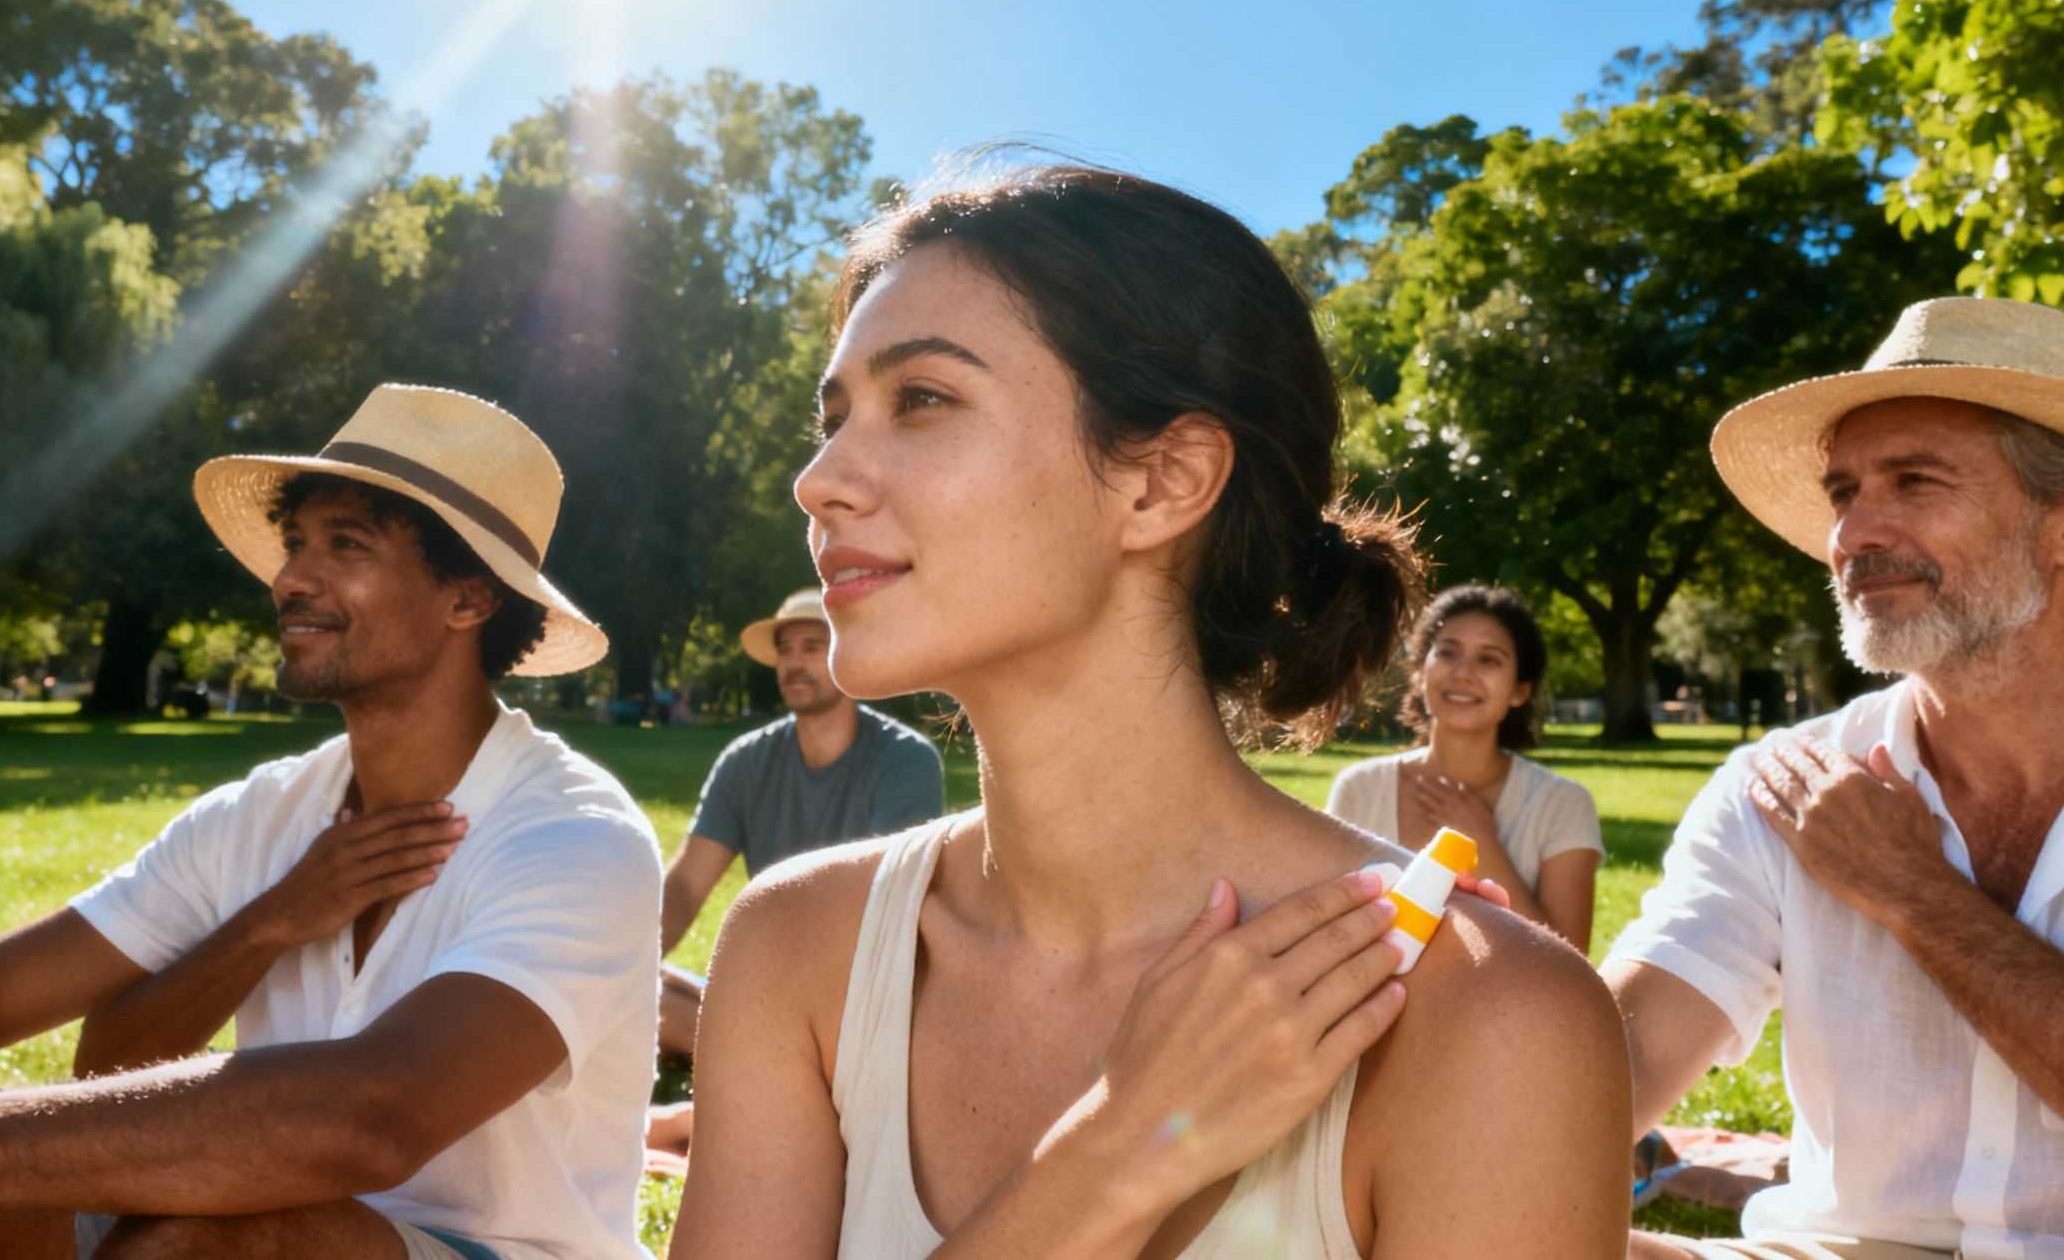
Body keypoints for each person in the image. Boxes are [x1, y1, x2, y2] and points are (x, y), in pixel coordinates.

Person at [669, 165, 1631, 1258]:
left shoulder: (1492, 1019)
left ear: (1164, 482)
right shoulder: (797, 948)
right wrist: (1118, 1152)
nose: (817, 480)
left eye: (922, 399)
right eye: (833, 418)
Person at [0, 384, 664, 1260]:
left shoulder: (572, 835)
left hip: (464, 1249)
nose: (290, 577)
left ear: (467, 599)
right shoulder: (264, 812)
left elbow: (371, 1117)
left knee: (209, 1237)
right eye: (295, 543)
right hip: (229, 1214)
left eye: (344, 544)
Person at [1608, 298, 2064, 1259]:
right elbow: (1618, 1059)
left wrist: (1917, 896)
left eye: (1915, 481)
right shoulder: (1785, 784)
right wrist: (1489, 991)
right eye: (1843, 493)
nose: (1852, 535)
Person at [656, 586, 945, 1059]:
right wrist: (626, 966)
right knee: (648, 995)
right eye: (785, 650)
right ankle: (777, 1057)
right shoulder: (746, 763)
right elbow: (687, 885)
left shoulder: (905, 762)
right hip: (767, 987)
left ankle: (776, 1057)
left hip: (862, 995)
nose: (793, 663)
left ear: (848, 653)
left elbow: (881, 909)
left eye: (813, 647)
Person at [1325, 583, 1603, 951]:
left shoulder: (1563, 804)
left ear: (1520, 690)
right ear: (1419, 673)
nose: (1462, 672)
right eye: (1447, 652)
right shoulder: (1360, 789)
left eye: (1488, 659)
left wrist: (1483, 843)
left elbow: (1572, 960)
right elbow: (1331, 927)